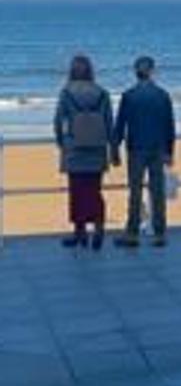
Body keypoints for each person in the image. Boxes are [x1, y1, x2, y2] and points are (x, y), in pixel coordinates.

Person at [112, 56, 177, 247]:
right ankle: (159, 233)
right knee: (157, 192)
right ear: (152, 71)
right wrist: (170, 151)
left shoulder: (129, 96)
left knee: (135, 191)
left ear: (135, 72)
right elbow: (169, 126)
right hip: (157, 149)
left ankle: (132, 233)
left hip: (136, 149)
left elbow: (120, 126)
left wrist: (114, 149)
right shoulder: (162, 95)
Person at [53, 55, 115, 250]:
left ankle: (80, 233)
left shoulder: (66, 93)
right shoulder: (102, 93)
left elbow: (58, 121)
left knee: (77, 192)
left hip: (74, 149)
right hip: (97, 149)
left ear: (72, 71)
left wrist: (62, 142)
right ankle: (98, 229)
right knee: (95, 191)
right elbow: (109, 123)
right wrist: (112, 148)